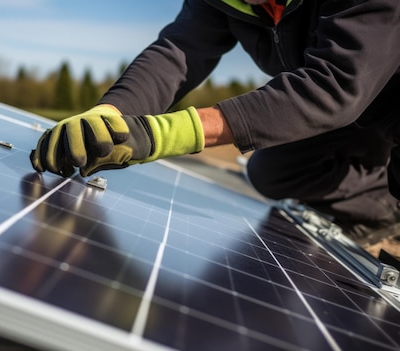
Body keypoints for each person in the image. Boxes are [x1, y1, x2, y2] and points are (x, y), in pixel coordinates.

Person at [30, 0, 400, 246]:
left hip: (369, 100)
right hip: (357, 112)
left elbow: (333, 84)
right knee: (274, 171)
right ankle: (381, 213)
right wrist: (110, 112)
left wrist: (166, 134)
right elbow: (179, 51)